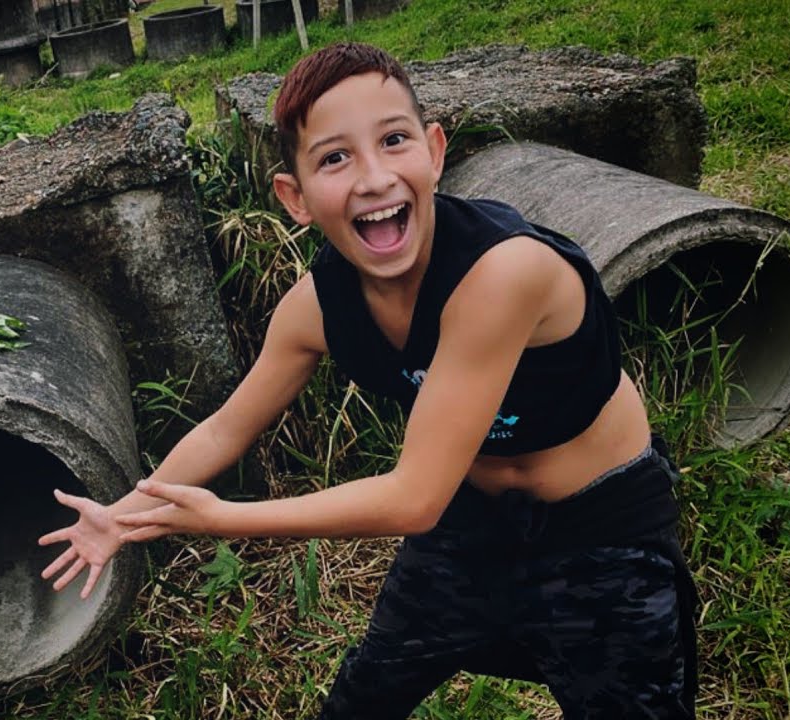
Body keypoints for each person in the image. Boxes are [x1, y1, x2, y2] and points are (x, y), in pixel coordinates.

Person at [37, 42, 697, 719]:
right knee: (362, 700)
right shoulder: (315, 310)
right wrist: (123, 515)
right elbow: (226, 427)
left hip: (598, 528)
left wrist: (225, 519)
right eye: (335, 157)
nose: (375, 177)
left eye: (394, 140)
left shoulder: (503, 274)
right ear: (294, 197)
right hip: (467, 522)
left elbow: (413, 499)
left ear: (435, 152)